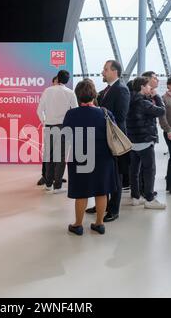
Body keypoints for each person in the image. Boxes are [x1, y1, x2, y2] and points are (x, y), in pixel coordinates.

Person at [63, 78, 116, 235]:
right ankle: (99, 223)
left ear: (78, 96)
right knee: (102, 190)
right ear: (94, 95)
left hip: (80, 156)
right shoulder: (105, 113)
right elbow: (113, 135)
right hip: (103, 156)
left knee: (81, 190)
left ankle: (78, 225)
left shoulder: (71, 114)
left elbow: (66, 136)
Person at [85, 60, 130, 222]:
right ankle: (100, 205)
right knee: (103, 173)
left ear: (114, 71)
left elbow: (121, 116)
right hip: (104, 139)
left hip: (114, 139)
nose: (102, 72)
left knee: (115, 175)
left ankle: (113, 209)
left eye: (105, 69)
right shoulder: (107, 90)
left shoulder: (121, 90)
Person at [126, 76, 166, 209]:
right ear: (142, 87)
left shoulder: (130, 101)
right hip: (145, 141)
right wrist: (158, 97)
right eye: (149, 86)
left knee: (134, 170)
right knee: (149, 170)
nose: (151, 88)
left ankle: (136, 197)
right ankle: (149, 198)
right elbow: (161, 110)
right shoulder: (144, 103)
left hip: (132, 142)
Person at [37, 70, 77, 194]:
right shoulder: (70, 93)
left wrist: (45, 122)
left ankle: (48, 184)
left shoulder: (47, 91)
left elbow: (39, 110)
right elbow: (75, 111)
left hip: (49, 126)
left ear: (57, 78)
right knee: (61, 158)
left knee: (49, 155)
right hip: (64, 127)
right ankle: (58, 186)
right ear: (67, 80)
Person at [36, 76, 67, 187]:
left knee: (55, 155)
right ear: (53, 82)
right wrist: (45, 121)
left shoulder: (63, 94)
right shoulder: (49, 92)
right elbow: (40, 110)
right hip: (54, 126)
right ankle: (47, 177)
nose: (57, 83)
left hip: (57, 126)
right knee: (51, 155)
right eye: (55, 81)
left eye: (58, 81)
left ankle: (54, 178)